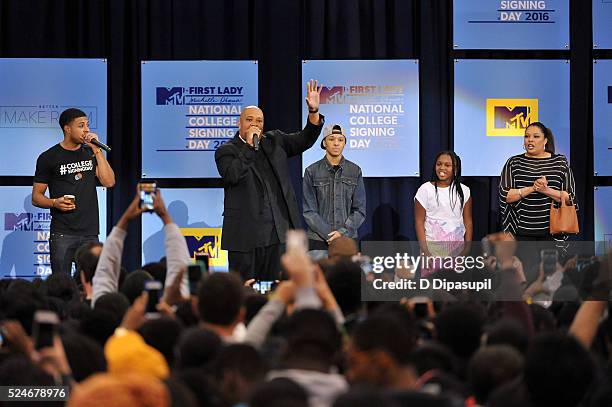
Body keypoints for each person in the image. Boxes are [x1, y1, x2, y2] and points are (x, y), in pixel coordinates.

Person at [215, 80, 324, 281]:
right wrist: (248, 147)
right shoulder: (226, 151)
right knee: (245, 291)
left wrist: (314, 111)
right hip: (245, 237)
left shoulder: (276, 141)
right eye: (249, 120)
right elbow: (232, 175)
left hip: (279, 236)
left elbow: (305, 138)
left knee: (278, 290)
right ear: (239, 123)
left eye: (259, 121)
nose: (255, 124)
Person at [32, 108, 115, 274]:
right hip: (62, 233)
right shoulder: (48, 157)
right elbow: (36, 197)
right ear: (67, 128)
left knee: (90, 284)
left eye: (87, 125)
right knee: (61, 284)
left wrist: (96, 150)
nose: (87, 130)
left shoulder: (90, 153)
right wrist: (54, 202)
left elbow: (109, 181)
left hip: (90, 233)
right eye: (81, 125)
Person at [499, 122, 576, 242]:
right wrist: (532, 188)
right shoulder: (514, 162)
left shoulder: (559, 162)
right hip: (520, 233)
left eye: (536, 136)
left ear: (545, 140)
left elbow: (570, 198)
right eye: (527, 136)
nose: (530, 140)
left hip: (553, 233)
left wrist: (546, 190)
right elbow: (505, 196)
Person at [302, 124, 366, 256]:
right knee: (319, 276)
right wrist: (330, 235)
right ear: (324, 143)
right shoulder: (311, 171)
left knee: (346, 277)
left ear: (344, 143)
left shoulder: (355, 171)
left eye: (340, 140)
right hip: (318, 241)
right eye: (331, 139)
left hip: (347, 240)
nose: (336, 143)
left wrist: (342, 233)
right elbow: (309, 211)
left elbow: (360, 210)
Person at [414, 151, 472, 272]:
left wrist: (466, 250)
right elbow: (419, 222)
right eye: (439, 164)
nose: (442, 168)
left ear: (455, 169)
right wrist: (425, 251)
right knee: (433, 289)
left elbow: (468, 222)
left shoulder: (464, 191)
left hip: (457, 252)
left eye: (447, 165)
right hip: (431, 251)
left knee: (457, 289)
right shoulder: (425, 190)